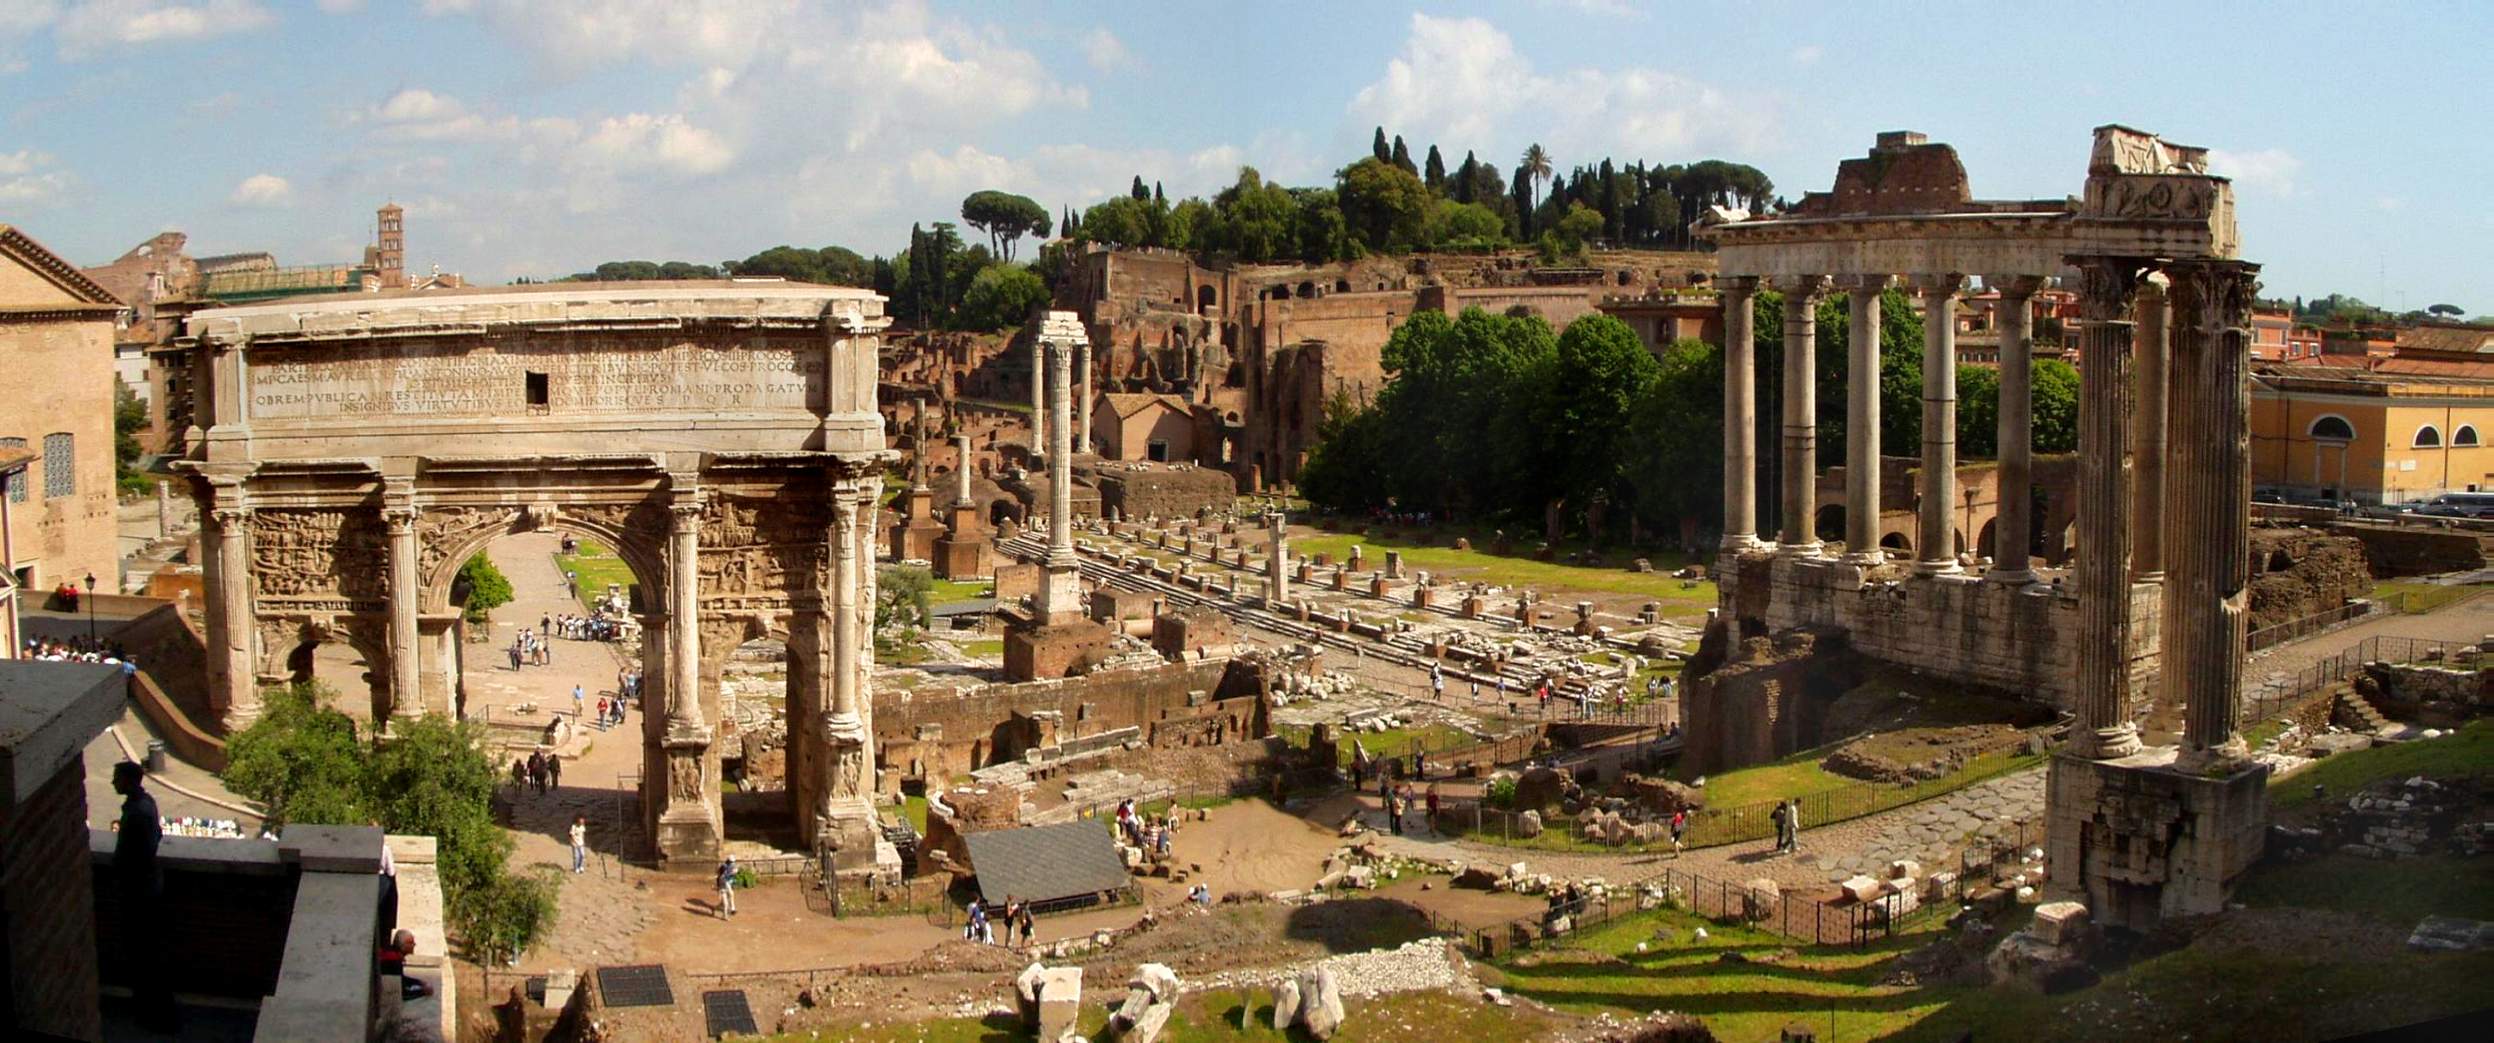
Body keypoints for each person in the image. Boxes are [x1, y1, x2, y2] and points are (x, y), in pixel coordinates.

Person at [114, 762, 179, 1030]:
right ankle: (156, 1013)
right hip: (149, 887)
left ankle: (153, 1016)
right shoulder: (147, 803)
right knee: (150, 956)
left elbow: (135, 855)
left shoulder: (137, 813)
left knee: (145, 957)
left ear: (128, 781)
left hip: (140, 893)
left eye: (117, 778)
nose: (113, 783)